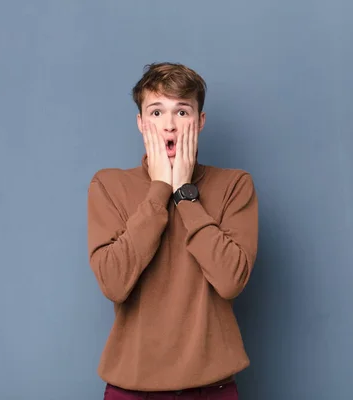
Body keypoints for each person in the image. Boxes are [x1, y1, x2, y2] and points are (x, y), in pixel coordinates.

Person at [86, 62, 259, 400]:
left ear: (200, 121)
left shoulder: (234, 185)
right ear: (140, 122)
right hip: (131, 389)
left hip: (213, 389)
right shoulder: (108, 185)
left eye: (182, 112)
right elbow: (114, 283)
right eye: (156, 112)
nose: (169, 125)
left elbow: (231, 279)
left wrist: (184, 193)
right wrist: (160, 188)